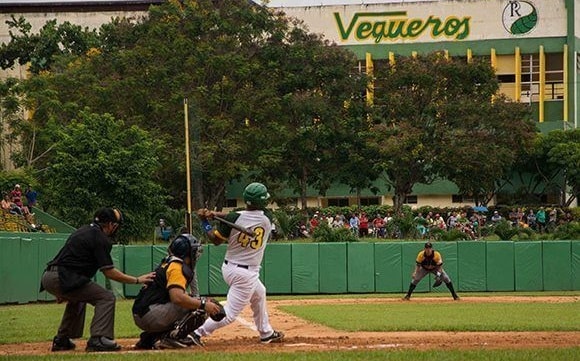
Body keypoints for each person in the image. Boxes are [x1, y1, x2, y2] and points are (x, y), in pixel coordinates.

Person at [40, 208, 156, 352]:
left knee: (79, 299)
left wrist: (60, 288)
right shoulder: (100, 238)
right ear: (110, 224)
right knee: (106, 298)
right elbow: (109, 272)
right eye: (116, 225)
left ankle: (62, 340)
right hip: (63, 277)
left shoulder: (82, 230)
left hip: (50, 276)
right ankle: (98, 339)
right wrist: (137, 280)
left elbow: (66, 258)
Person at [190, 182, 284, 346]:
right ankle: (195, 333)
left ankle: (266, 333)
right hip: (245, 274)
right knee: (230, 314)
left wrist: (205, 221)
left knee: (259, 293)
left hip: (230, 268)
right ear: (261, 202)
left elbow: (215, 240)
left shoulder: (235, 217)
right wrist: (213, 214)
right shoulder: (267, 217)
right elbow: (239, 216)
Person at [132, 234, 221, 349]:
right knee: (200, 306)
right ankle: (173, 338)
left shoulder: (168, 261)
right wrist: (204, 304)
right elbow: (177, 297)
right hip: (151, 314)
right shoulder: (177, 267)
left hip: (143, 313)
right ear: (187, 253)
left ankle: (149, 338)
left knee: (192, 300)